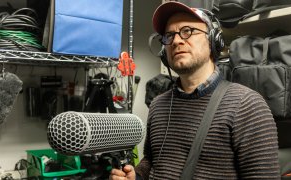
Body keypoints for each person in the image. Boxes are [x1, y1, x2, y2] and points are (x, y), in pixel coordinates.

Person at [110, 1, 280, 180]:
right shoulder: (158, 105)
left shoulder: (247, 106)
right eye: (169, 35)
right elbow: (153, 161)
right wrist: (136, 176)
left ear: (213, 40)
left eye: (187, 31)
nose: (176, 40)